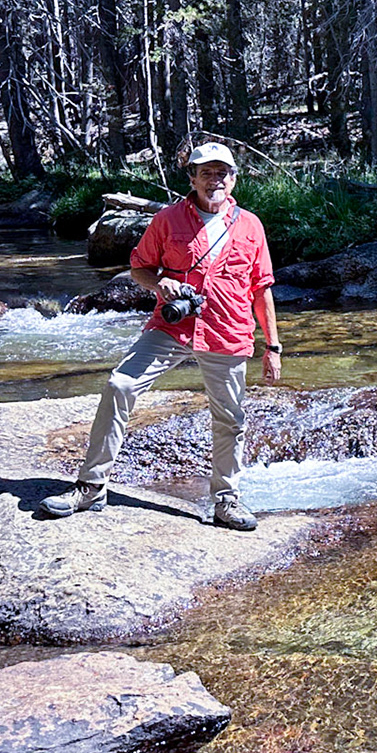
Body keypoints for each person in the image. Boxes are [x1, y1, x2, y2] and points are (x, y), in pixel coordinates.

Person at [42, 142, 282, 529]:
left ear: (234, 180)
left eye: (222, 173)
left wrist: (272, 347)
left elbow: (262, 288)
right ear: (192, 179)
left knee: (230, 419)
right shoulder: (168, 220)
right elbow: (139, 268)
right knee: (120, 385)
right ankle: (91, 486)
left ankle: (226, 500)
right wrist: (161, 284)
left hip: (228, 331)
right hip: (172, 326)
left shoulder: (251, 225)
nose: (214, 180)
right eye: (205, 173)